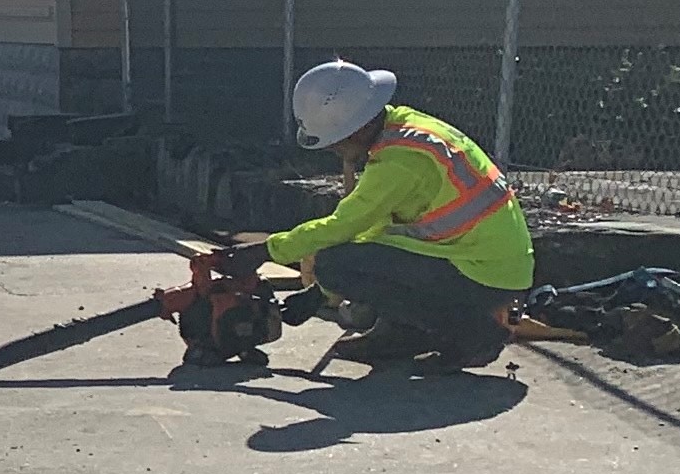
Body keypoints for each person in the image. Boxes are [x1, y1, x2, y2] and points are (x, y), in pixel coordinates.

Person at [215, 60, 530, 367]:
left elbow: (342, 227)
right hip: (486, 265)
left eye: (335, 142)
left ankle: (475, 335)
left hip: (486, 280)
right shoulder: (405, 127)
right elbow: (374, 230)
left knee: (336, 263)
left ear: (359, 127)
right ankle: (401, 334)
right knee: (350, 261)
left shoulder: (399, 162)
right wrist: (321, 296)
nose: (333, 150)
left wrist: (267, 250)